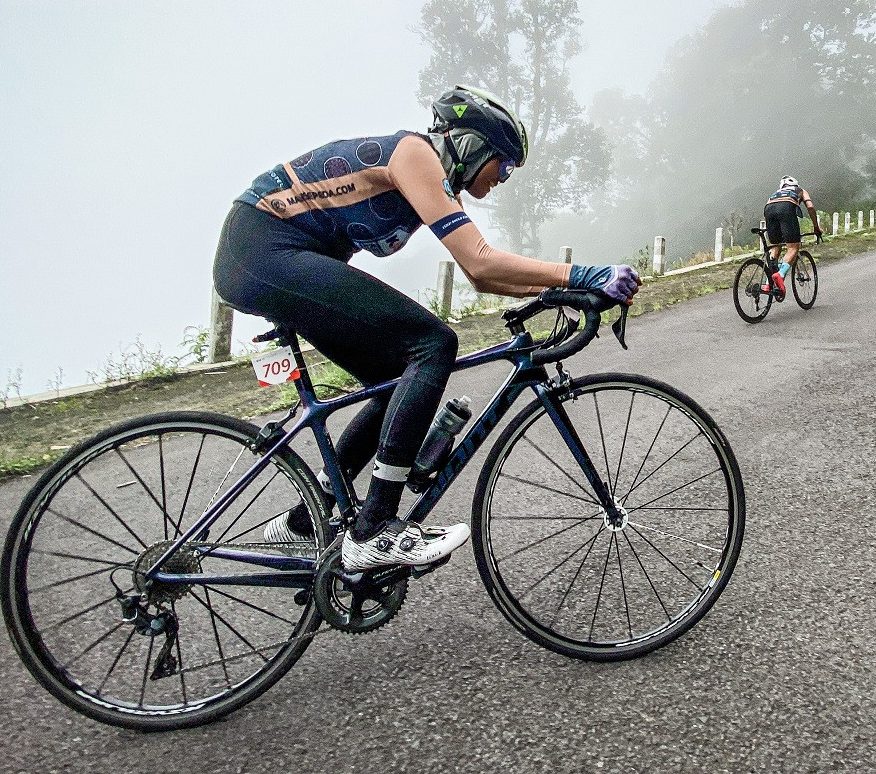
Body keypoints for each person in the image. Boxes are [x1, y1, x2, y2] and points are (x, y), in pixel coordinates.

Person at [212, 85, 640, 571]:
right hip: (261, 249)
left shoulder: (430, 177)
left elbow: (484, 277)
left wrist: (560, 289)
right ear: (472, 145)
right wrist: (583, 275)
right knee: (433, 343)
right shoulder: (415, 154)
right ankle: (375, 529)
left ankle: (307, 518)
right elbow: (481, 262)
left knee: (394, 378)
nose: (504, 178)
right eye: (504, 164)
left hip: (270, 255)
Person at [761, 176, 822, 297]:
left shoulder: (775, 193)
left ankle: (769, 284)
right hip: (786, 208)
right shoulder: (800, 190)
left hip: (769, 210)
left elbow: (770, 212)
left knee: (775, 247)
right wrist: (816, 226)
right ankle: (780, 274)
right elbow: (810, 207)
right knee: (793, 247)